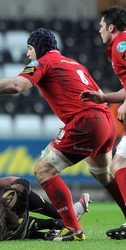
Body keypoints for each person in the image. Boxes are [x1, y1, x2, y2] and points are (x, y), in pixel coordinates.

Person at [0, 28, 124, 241]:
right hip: (105, 121)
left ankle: (73, 229)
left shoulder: (42, 62)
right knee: (104, 175)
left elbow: (17, 85)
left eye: (29, 49)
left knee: (43, 170)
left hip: (85, 122)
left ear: (37, 48)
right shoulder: (74, 63)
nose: (28, 54)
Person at [78, 5, 126, 240]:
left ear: (111, 27)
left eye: (101, 26)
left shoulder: (121, 44)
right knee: (119, 163)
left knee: (118, 164)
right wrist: (105, 98)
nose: (99, 31)